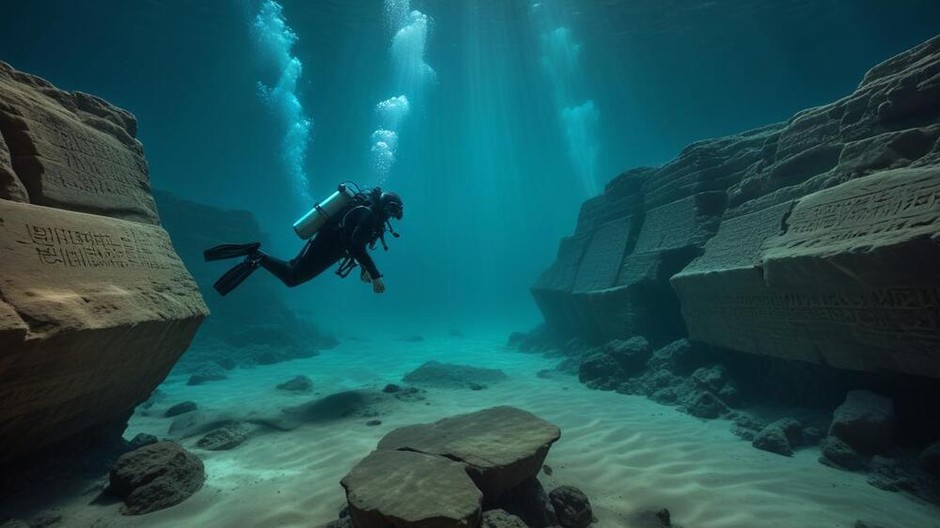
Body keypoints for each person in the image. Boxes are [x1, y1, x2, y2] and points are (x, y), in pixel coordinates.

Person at [204, 189, 403, 296]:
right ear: (384, 205)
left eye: (394, 214)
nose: (390, 217)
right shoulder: (367, 213)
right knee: (293, 277)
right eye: (390, 211)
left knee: (292, 272)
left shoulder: (369, 216)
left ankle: (257, 256)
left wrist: (364, 269)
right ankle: (256, 255)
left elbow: (355, 243)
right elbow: (355, 246)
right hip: (326, 246)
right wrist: (375, 275)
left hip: (328, 246)